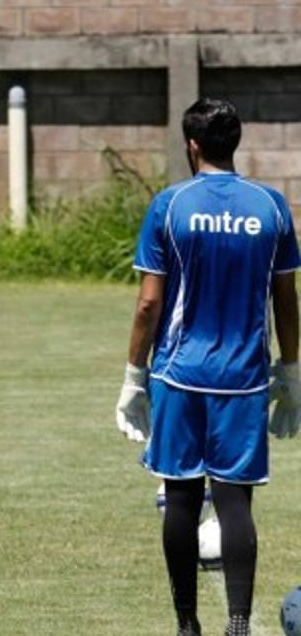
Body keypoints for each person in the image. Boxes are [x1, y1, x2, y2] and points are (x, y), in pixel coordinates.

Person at [115, 98, 300, 636]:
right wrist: (290, 370)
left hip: (178, 375)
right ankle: (239, 623)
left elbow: (149, 303)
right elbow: (285, 298)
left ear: (191, 146)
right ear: (233, 143)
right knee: (235, 498)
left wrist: (133, 376)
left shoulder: (170, 206)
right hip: (244, 377)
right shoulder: (271, 206)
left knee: (181, 495)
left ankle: (187, 623)